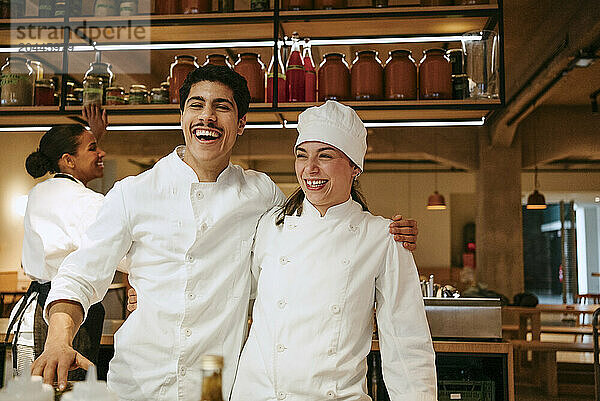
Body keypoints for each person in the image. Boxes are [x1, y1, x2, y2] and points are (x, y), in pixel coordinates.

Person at [32, 65, 419, 400]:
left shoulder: (261, 193)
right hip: (139, 380)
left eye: (222, 107)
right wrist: (58, 338)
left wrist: (385, 232)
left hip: (217, 384)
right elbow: (82, 273)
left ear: (241, 124)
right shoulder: (135, 193)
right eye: (196, 105)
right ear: (182, 116)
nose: (207, 117)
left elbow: (320, 220)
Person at [230, 101, 437, 401]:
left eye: (325, 156)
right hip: (257, 394)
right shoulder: (268, 227)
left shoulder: (382, 238)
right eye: (302, 156)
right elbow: (231, 294)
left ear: (355, 167)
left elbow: (406, 342)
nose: (310, 169)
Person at [6, 105, 108, 380]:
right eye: (93, 148)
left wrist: (92, 137)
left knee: (34, 392)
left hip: (33, 308)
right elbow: (118, 253)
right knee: (67, 389)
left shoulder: (38, 193)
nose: (102, 154)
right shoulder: (89, 202)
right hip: (71, 313)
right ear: (68, 160)